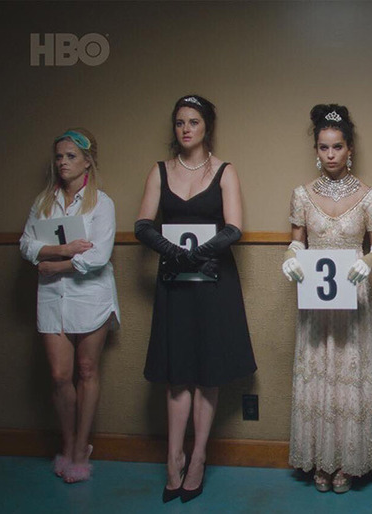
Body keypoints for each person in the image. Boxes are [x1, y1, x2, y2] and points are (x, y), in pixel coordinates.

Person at [135, 94, 256, 503]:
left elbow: (234, 228)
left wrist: (198, 254)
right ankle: (174, 458)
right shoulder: (159, 171)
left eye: (194, 122)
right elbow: (143, 225)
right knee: (178, 374)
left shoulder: (224, 170)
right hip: (175, 282)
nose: (186, 129)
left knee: (206, 373)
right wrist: (175, 254)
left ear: (207, 127)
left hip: (213, 282)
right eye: (180, 122)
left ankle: (199, 457)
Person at [282, 104, 372, 494]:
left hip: (353, 294)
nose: (330, 154)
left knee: (347, 375)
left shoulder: (370, 196)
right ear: (316, 150)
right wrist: (290, 258)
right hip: (315, 296)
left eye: (337, 147)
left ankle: (346, 462)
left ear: (349, 149)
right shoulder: (301, 194)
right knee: (319, 373)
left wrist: (369, 261)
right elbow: (297, 241)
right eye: (324, 147)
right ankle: (319, 460)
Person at [20, 128, 120, 483]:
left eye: (71, 156)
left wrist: (54, 265)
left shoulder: (101, 203)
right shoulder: (43, 203)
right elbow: (26, 245)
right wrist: (63, 250)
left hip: (90, 295)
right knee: (60, 375)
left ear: (87, 161)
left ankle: (80, 448)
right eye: (59, 157)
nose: (63, 163)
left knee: (87, 370)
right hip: (52, 297)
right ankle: (66, 442)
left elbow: (98, 255)